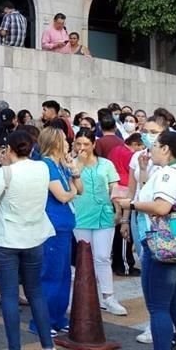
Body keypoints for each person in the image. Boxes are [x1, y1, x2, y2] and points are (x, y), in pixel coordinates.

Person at [114, 131, 176, 350]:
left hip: (163, 246)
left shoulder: (167, 173)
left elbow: (161, 206)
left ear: (165, 149)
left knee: (158, 307)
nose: (149, 150)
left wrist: (130, 205)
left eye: (154, 145)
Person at [0, 131, 56, 350]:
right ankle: (47, 345)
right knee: (35, 291)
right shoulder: (42, 168)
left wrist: (3, 166)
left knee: (9, 294)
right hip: (35, 235)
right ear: (31, 149)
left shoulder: (3, 174)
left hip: (6, 238)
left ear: (8, 149)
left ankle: (15, 347)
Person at [72, 129, 127, 315]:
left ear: (93, 145)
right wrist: (76, 166)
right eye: (78, 144)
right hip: (81, 216)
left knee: (102, 256)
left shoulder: (106, 164)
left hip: (104, 215)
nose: (82, 148)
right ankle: (84, 296)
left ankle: (108, 296)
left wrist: (119, 211)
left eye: (86, 144)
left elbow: (115, 187)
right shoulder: (72, 164)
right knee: (84, 258)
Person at [35, 127, 78, 337]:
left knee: (63, 274)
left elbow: (79, 189)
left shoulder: (61, 164)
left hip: (65, 225)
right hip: (53, 225)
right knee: (51, 274)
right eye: (64, 140)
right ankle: (42, 321)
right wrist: (73, 190)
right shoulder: (46, 164)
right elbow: (62, 195)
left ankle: (59, 317)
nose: (69, 143)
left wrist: (74, 172)